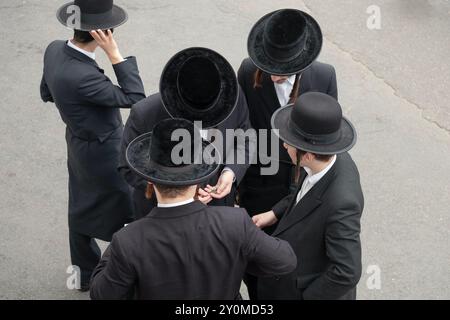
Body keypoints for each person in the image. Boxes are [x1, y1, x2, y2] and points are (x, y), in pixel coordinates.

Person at [90, 118, 296, 299]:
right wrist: (237, 257)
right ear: (198, 177)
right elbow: (285, 260)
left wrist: (118, 242)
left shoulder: (128, 241)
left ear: (150, 183)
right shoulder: (236, 223)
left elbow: (101, 294)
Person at [40, 0, 146, 291]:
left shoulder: (53, 50)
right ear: (104, 33)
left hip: (77, 144)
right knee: (129, 210)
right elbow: (136, 99)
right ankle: (133, 272)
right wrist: (115, 55)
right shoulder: (84, 77)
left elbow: (46, 92)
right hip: (106, 152)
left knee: (80, 207)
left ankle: (84, 275)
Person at [237, 8, 338, 299]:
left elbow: (326, 140)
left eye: (282, 70)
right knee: (256, 266)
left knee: (295, 265)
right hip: (260, 185)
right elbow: (241, 131)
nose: (273, 76)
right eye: (268, 67)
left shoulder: (324, 76)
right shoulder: (246, 70)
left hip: (302, 186)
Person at [119, 47, 253, 219]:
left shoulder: (233, 97)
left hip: (216, 211)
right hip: (162, 217)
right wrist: (181, 194)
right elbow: (126, 167)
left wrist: (231, 172)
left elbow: (245, 138)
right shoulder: (144, 113)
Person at [252, 92, 364, 300]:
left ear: (309, 154)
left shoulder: (342, 203)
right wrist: (275, 213)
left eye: (289, 143)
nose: (284, 145)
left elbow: (347, 271)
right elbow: (304, 192)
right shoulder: (324, 157)